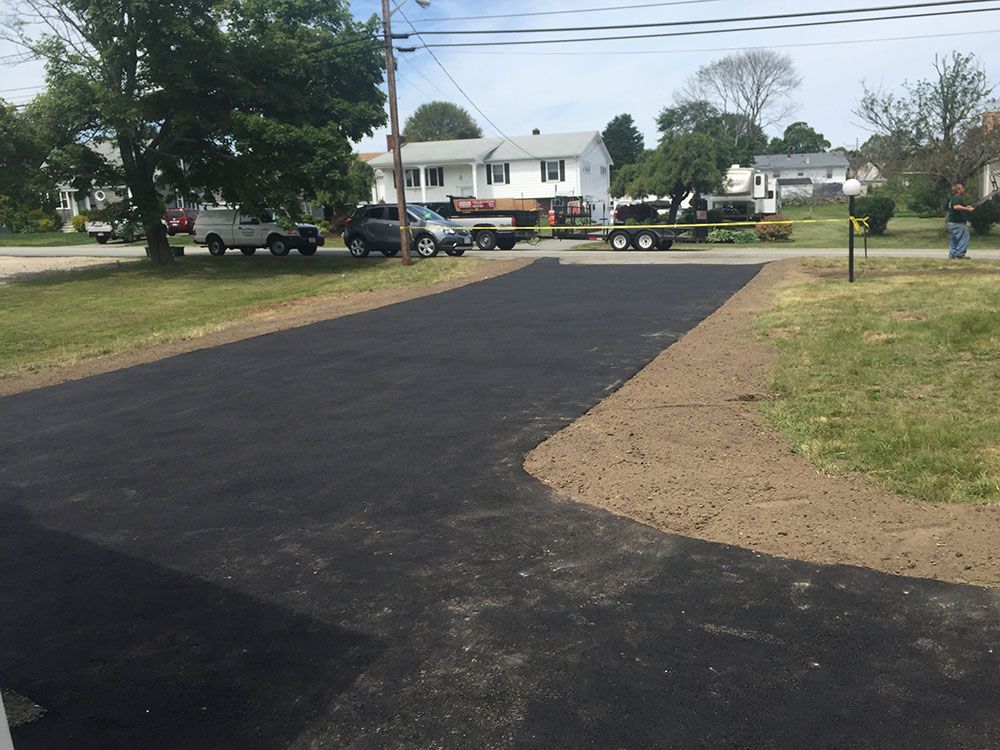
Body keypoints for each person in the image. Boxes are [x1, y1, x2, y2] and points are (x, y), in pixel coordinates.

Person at [946, 183, 975, 259]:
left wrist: (966, 206)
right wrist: (967, 209)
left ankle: (952, 254)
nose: (963, 189)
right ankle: (959, 254)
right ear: (958, 190)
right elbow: (956, 207)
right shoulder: (958, 198)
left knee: (954, 239)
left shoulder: (953, 198)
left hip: (951, 222)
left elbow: (957, 206)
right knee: (964, 237)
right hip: (957, 223)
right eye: (962, 188)